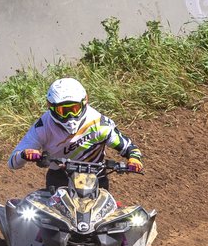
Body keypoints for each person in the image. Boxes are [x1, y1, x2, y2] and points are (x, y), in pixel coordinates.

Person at [8, 77, 144, 191]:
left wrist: (134, 159)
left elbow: (129, 147)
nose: (70, 116)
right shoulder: (42, 127)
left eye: (74, 109)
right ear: (51, 107)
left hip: (96, 178)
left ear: (85, 102)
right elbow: (13, 163)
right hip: (59, 180)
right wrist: (24, 154)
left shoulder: (99, 124)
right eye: (63, 111)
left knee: (112, 213)